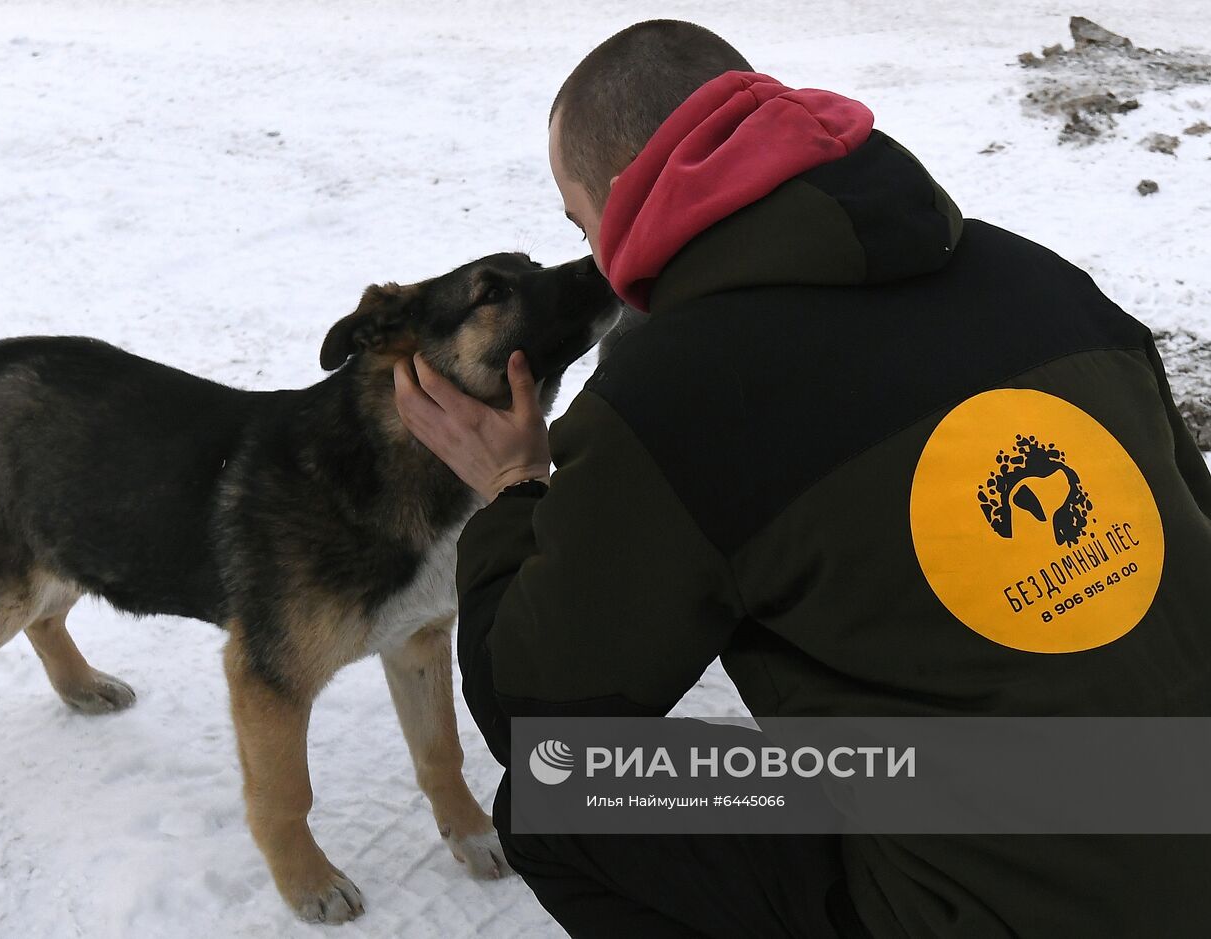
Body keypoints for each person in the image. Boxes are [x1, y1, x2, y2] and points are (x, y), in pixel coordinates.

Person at [392, 19, 1211, 939]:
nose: (590, 245)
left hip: (998, 902)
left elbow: (538, 718)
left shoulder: (676, 392)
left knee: (563, 799)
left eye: (580, 220)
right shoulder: (1042, 280)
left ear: (625, 194)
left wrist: (513, 485)